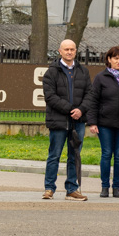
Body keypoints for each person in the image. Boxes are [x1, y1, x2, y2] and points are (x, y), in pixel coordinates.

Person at [41, 39, 91, 201]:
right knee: (54, 155)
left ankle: (72, 189)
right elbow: (50, 97)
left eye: (72, 49)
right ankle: (49, 188)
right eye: (66, 49)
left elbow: (90, 95)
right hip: (58, 121)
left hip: (79, 121)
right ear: (60, 51)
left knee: (74, 155)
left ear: (76, 51)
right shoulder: (52, 72)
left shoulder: (83, 72)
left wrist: (80, 110)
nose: (69, 52)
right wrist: (71, 110)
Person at [86, 46, 119, 198]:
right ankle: (104, 186)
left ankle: (116, 187)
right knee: (106, 154)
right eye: (115, 58)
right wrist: (92, 122)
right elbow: (93, 100)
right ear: (109, 60)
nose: (118, 61)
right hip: (105, 123)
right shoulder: (101, 77)